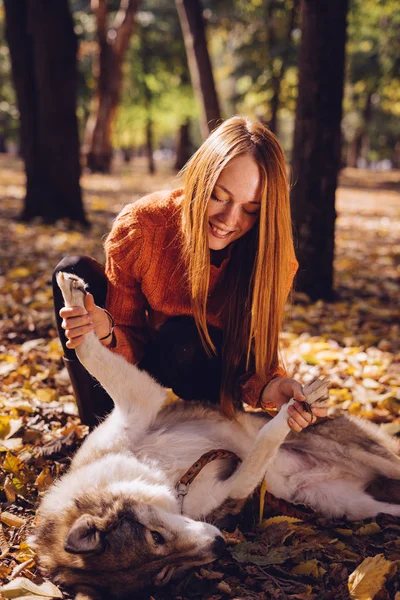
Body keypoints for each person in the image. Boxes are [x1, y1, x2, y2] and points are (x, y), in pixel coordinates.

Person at [53, 116, 327, 429]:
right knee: (72, 271)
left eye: (250, 209)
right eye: (219, 196)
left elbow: (253, 360)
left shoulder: (274, 258)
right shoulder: (142, 227)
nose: (228, 218)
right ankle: (100, 428)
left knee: (185, 339)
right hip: (144, 360)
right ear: (200, 179)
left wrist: (273, 389)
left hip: (207, 369)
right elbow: (128, 334)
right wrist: (105, 331)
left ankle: (205, 434)